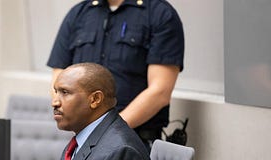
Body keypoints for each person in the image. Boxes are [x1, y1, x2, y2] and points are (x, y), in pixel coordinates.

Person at [47, 0, 185, 150]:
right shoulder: (78, 14)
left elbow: (160, 92)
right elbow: (58, 81)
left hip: (134, 142)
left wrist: (104, 132)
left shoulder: (160, 14)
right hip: (81, 141)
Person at [50, 62, 163, 160]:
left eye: (65, 92)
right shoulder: (83, 139)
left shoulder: (120, 153)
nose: (55, 102)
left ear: (95, 99)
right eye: (56, 92)